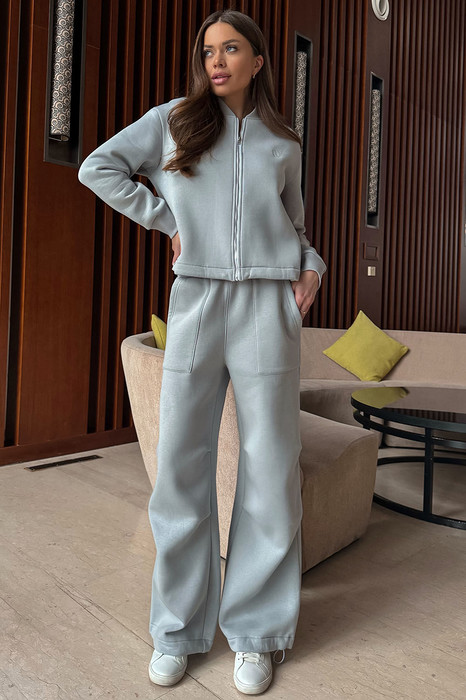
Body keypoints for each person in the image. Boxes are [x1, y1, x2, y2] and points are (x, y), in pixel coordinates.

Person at [78, 8, 326, 696]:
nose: (216, 61)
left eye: (231, 48)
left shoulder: (283, 140)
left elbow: (297, 228)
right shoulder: (173, 122)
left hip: (268, 306)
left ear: (258, 61)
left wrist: (312, 267)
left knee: (270, 469)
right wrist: (168, 220)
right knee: (182, 467)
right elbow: (99, 168)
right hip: (198, 302)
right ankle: (177, 631)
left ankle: (257, 634)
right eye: (209, 50)